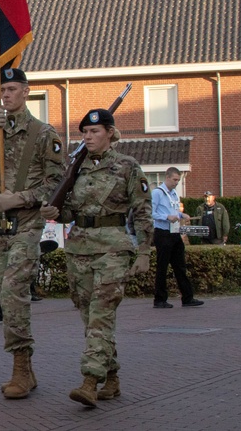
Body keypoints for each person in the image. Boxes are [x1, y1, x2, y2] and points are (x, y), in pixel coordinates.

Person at [0, 68, 64, 399]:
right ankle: (26, 368)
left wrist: (19, 198)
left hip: (26, 221)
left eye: (11, 89)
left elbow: (56, 183)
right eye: (1, 90)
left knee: (12, 289)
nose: (5, 95)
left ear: (26, 92)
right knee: (0, 291)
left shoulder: (43, 133)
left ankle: (21, 367)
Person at [46, 108, 153, 407]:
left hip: (113, 249)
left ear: (110, 133)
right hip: (79, 248)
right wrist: (54, 212)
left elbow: (143, 211)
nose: (88, 137)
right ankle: (113, 377)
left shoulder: (128, 167)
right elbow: (70, 211)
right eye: (84, 132)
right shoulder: (75, 168)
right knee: (91, 318)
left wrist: (143, 251)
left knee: (101, 314)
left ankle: (90, 381)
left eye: (94, 132)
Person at [151, 167, 204, 309]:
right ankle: (159, 299)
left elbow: (174, 211)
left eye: (178, 180)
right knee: (162, 266)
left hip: (174, 233)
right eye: (174, 180)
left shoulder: (174, 193)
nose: (176, 183)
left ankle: (188, 297)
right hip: (162, 232)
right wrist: (166, 217)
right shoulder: (157, 193)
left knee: (180, 266)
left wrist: (182, 215)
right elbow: (151, 213)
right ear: (167, 178)